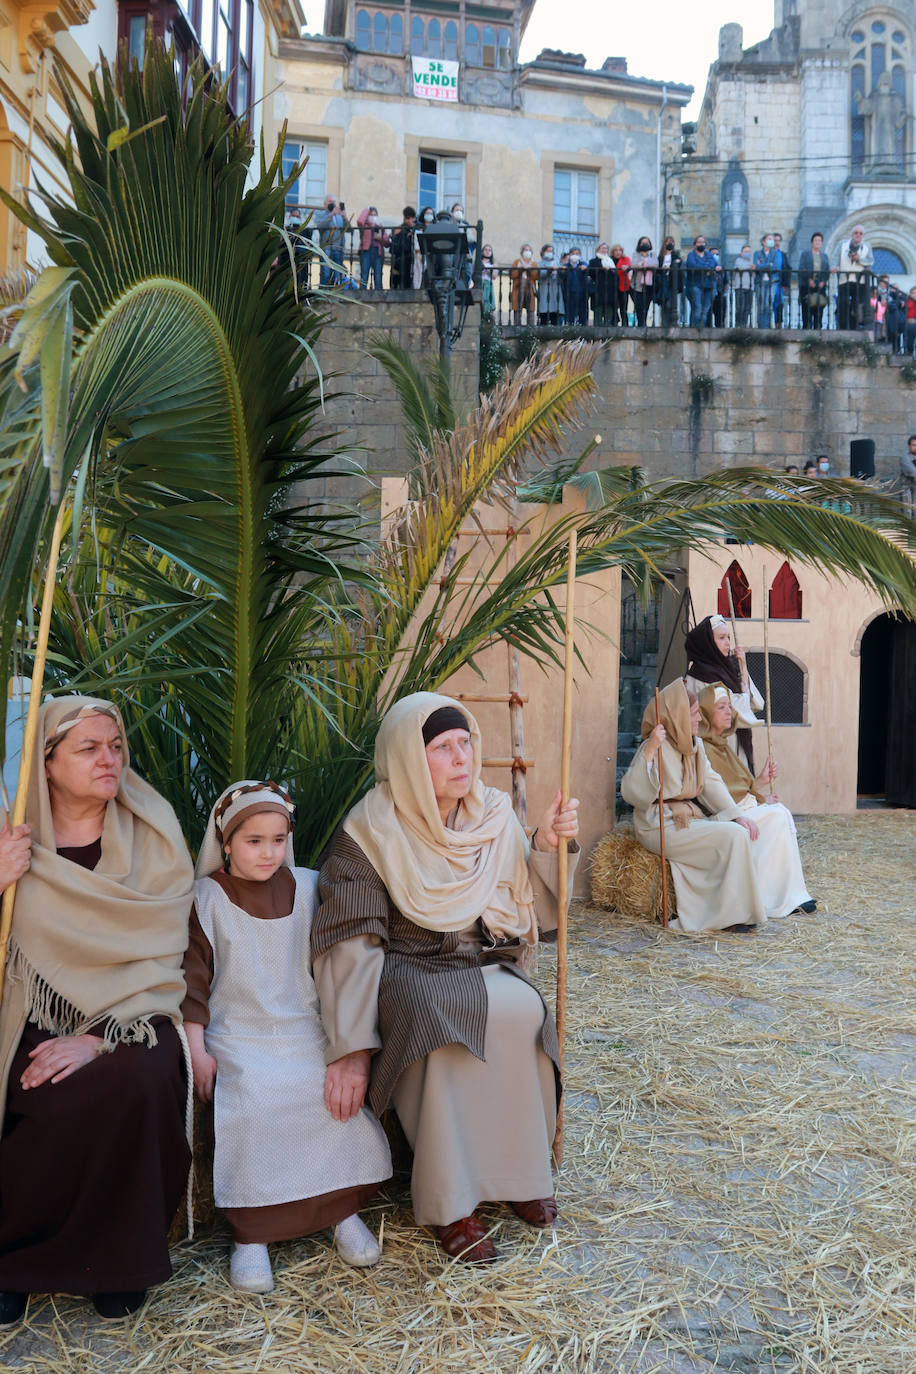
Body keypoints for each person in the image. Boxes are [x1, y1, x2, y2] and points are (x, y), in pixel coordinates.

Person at [311, 693, 579, 1265]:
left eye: (466, 744)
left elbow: (524, 900)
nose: (462, 758)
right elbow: (353, 938)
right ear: (409, 757)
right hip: (408, 967)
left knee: (522, 1010)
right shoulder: (370, 829)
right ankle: (452, 1203)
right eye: (442, 747)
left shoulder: (491, 813)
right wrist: (350, 1046)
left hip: (482, 958)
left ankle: (523, 1174)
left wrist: (547, 847)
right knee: (444, 1018)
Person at [0, 698, 194, 1323]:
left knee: (139, 1077)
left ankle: (117, 1262)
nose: (109, 759)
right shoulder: (11, 833)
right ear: (47, 763)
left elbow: (164, 949)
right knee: (33, 1083)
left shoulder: (153, 828)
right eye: (89, 748)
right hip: (28, 1005)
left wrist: (98, 1037)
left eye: (115, 745)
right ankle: (14, 1263)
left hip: (133, 1009)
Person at [182, 781, 391, 1293]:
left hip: (304, 1027)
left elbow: (341, 968)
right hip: (238, 1033)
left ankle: (339, 1209)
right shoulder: (205, 898)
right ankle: (251, 1235)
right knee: (253, 1099)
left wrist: (347, 1046)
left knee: (326, 1092)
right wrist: (197, 1050)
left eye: (278, 839)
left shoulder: (311, 886)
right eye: (254, 841)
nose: (268, 852)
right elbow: (191, 984)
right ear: (226, 841)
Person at [620, 682, 765, 935]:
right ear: (678, 715)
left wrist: (737, 815)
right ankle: (725, 915)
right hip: (658, 824)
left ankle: (732, 912)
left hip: (686, 820)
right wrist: (652, 748)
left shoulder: (694, 744)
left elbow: (711, 781)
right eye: (694, 713)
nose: (699, 718)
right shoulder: (656, 744)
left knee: (736, 832)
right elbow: (632, 791)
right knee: (731, 836)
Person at [697, 687, 816, 919]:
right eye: (721, 707)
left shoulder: (722, 746)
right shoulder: (704, 748)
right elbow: (716, 795)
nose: (728, 712)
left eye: (729, 707)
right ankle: (777, 899)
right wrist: (756, 801)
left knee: (778, 812)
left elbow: (739, 786)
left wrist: (760, 783)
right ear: (706, 713)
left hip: (743, 809)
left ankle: (790, 895)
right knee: (778, 815)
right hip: (727, 817)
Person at [684, 614, 763, 773]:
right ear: (708, 642)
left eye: (728, 637)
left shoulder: (726, 670)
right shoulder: (701, 674)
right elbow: (737, 711)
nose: (728, 643)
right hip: (717, 749)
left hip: (735, 745)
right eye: (721, 638)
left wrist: (743, 667)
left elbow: (757, 704)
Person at [837, 225, 874, 331]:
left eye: (860, 233)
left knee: (856, 305)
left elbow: (870, 261)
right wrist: (834, 266)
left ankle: (853, 328)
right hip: (845, 279)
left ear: (863, 236)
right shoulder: (843, 244)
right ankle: (843, 327)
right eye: (856, 233)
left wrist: (859, 259)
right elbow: (836, 257)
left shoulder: (867, 247)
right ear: (852, 234)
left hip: (860, 281)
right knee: (843, 303)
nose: (858, 235)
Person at [685, 235, 718, 328]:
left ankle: (701, 327)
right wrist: (707, 268)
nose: (701, 244)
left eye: (703, 242)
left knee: (706, 309)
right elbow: (693, 265)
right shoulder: (691, 255)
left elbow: (715, 264)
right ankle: (695, 328)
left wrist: (704, 267)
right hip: (695, 284)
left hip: (709, 284)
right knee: (697, 307)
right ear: (695, 244)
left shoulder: (708, 255)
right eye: (699, 242)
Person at [798, 232, 829, 330]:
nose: (817, 242)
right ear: (812, 242)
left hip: (820, 285)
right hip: (807, 285)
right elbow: (802, 268)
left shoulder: (824, 256)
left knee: (819, 309)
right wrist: (809, 280)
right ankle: (806, 328)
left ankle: (818, 328)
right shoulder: (805, 254)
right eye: (815, 240)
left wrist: (823, 281)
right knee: (807, 308)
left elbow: (826, 270)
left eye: (819, 240)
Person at [317, 196, 350, 287]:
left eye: (333, 201)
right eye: (329, 201)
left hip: (338, 248)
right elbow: (320, 226)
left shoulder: (339, 216)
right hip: (326, 248)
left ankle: (336, 294)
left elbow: (350, 229)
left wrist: (345, 217)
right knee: (326, 273)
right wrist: (331, 215)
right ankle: (324, 294)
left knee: (337, 274)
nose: (332, 203)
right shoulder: (321, 214)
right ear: (325, 204)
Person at [356, 207, 389, 289]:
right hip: (366, 251)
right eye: (371, 215)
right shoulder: (364, 226)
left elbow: (387, 242)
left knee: (378, 275)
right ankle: (362, 293)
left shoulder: (380, 227)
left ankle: (378, 294)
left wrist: (379, 238)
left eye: (374, 215)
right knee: (364, 274)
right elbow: (359, 221)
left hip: (378, 252)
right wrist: (367, 209)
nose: (373, 216)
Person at [390, 207, 421, 290]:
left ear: (413, 218)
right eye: (406, 218)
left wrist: (413, 231)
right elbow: (393, 236)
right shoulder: (402, 227)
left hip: (410, 256)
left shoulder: (418, 226)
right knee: (396, 277)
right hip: (399, 256)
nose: (407, 220)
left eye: (409, 218)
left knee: (408, 278)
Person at [630, 237, 658, 326]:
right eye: (643, 243)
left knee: (646, 306)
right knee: (639, 306)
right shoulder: (636, 254)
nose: (645, 245)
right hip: (637, 285)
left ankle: (643, 324)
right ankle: (640, 324)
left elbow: (655, 264)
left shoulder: (652, 254)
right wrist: (642, 264)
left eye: (647, 243)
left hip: (649, 285)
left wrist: (644, 264)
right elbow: (633, 265)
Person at [589, 242, 618, 326]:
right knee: (598, 311)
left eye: (606, 248)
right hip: (598, 290)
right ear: (598, 249)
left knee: (609, 311)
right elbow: (591, 273)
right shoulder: (593, 261)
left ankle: (608, 329)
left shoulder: (611, 261)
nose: (604, 250)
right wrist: (602, 269)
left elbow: (615, 275)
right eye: (602, 248)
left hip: (610, 290)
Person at [656, 236, 682, 327]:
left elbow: (679, 265)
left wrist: (671, 266)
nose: (670, 243)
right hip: (663, 282)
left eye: (671, 241)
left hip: (672, 282)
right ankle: (664, 324)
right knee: (664, 304)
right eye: (668, 242)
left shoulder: (676, 255)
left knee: (670, 304)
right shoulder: (660, 257)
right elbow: (657, 268)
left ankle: (673, 323)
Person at [753, 234, 778, 328]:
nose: (771, 241)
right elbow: (755, 266)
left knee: (768, 304)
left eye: (772, 239)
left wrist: (762, 265)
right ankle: (761, 326)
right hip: (760, 282)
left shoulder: (775, 253)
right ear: (763, 241)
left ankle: (766, 326)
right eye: (769, 239)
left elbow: (775, 267)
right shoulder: (757, 253)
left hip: (772, 282)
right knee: (761, 305)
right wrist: (769, 265)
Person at [561, 245, 590, 325]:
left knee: (582, 311)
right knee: (570, 311)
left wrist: (585, 268)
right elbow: (561, 276)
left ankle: (583, 327)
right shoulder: (566, 266)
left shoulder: (583, 264)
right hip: (570, 291)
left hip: (581, 292)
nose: (575, 255)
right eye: (573, 253)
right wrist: (562, 271)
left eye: (577, 254)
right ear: (570, 255)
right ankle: (570, 327)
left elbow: (588, 271)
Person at [510, 243, 538, 325]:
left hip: (529, 288)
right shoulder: (517, 262)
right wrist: (521, 269)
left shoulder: (534, 263)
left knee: (531, 309)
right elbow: (512, 274)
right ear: (522, 251)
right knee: (517, 308)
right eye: (526, 250)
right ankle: (516, 327)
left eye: (529, 250)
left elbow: (535, 276)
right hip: (518, 287)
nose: (528, 251)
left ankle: (530, 329)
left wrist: (529, 269)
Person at [537, 244, 562, 325]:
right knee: (544, 314)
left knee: (555, 315)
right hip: (545, 290)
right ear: (543, 252)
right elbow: (541, 275)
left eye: (551, 251)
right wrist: (550, 270)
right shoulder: (540, 263)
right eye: (548, 251)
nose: (549, 253)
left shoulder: (557, 263)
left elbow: (561, 276)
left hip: (555, 291)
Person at [733, 244, 754, 327]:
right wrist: (751, 267)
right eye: (746, 251)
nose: (747, 253)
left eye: (749, 251)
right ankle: (738, 324)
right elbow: (740, 267)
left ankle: (744, 324)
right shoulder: (738, 260)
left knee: (747, 308)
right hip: (740, 287)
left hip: (750, 287)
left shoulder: (752, 261)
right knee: (740, 307)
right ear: (741, 253)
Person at [610, 244, 631, 325]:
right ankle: (614, 323)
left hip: (623, 286)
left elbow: (628, 265)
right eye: (616, 250)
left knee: (623, 308)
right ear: (613, 252)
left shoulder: (626, 259)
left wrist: (626, 267)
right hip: (612, 286)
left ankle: (625, 325)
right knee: (613, 307)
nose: (618, 252)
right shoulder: (609, 260)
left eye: (620, 250)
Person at [900, 434, 916, 514]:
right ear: (909, 446)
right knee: (907, 513)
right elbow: (913, 472)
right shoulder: (905, 457)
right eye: (914, 445)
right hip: (907, 489)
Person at [480, 243, 497, 316]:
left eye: (489, 250)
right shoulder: (479, 262)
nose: (487, 251)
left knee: (488, 302)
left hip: (488, 285)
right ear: (482, 251)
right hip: (480, 284)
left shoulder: (494, 264)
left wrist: (486, 270)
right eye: (486, 250)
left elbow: (494, 276)